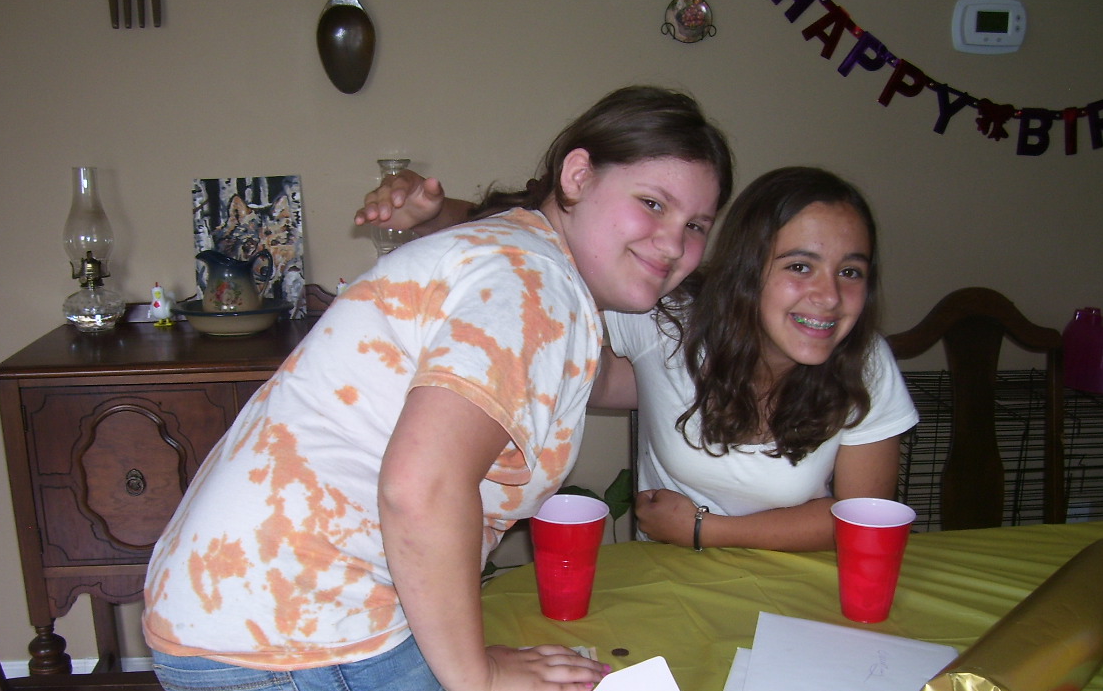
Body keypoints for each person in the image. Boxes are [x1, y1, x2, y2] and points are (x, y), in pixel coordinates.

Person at [142, 85, 733, 691]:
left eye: (697, 225)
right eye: (653, 203)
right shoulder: (532, 284)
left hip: (266, 602)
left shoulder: (521, 261)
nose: (674, 242)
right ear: (578, 175)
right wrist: (475, 674)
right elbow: (420, 487)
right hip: (298, 637)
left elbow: (593, 382)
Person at [358, 166, 918, 552]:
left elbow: (863, 518)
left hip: (800, 590)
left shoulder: (865, 360)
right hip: (667, 584)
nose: (829, 296)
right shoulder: (668, 322)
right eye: (800, 266)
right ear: (749, 268)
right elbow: (555, 241)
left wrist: (703, 530)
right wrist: (435, 215)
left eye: (851, 271)